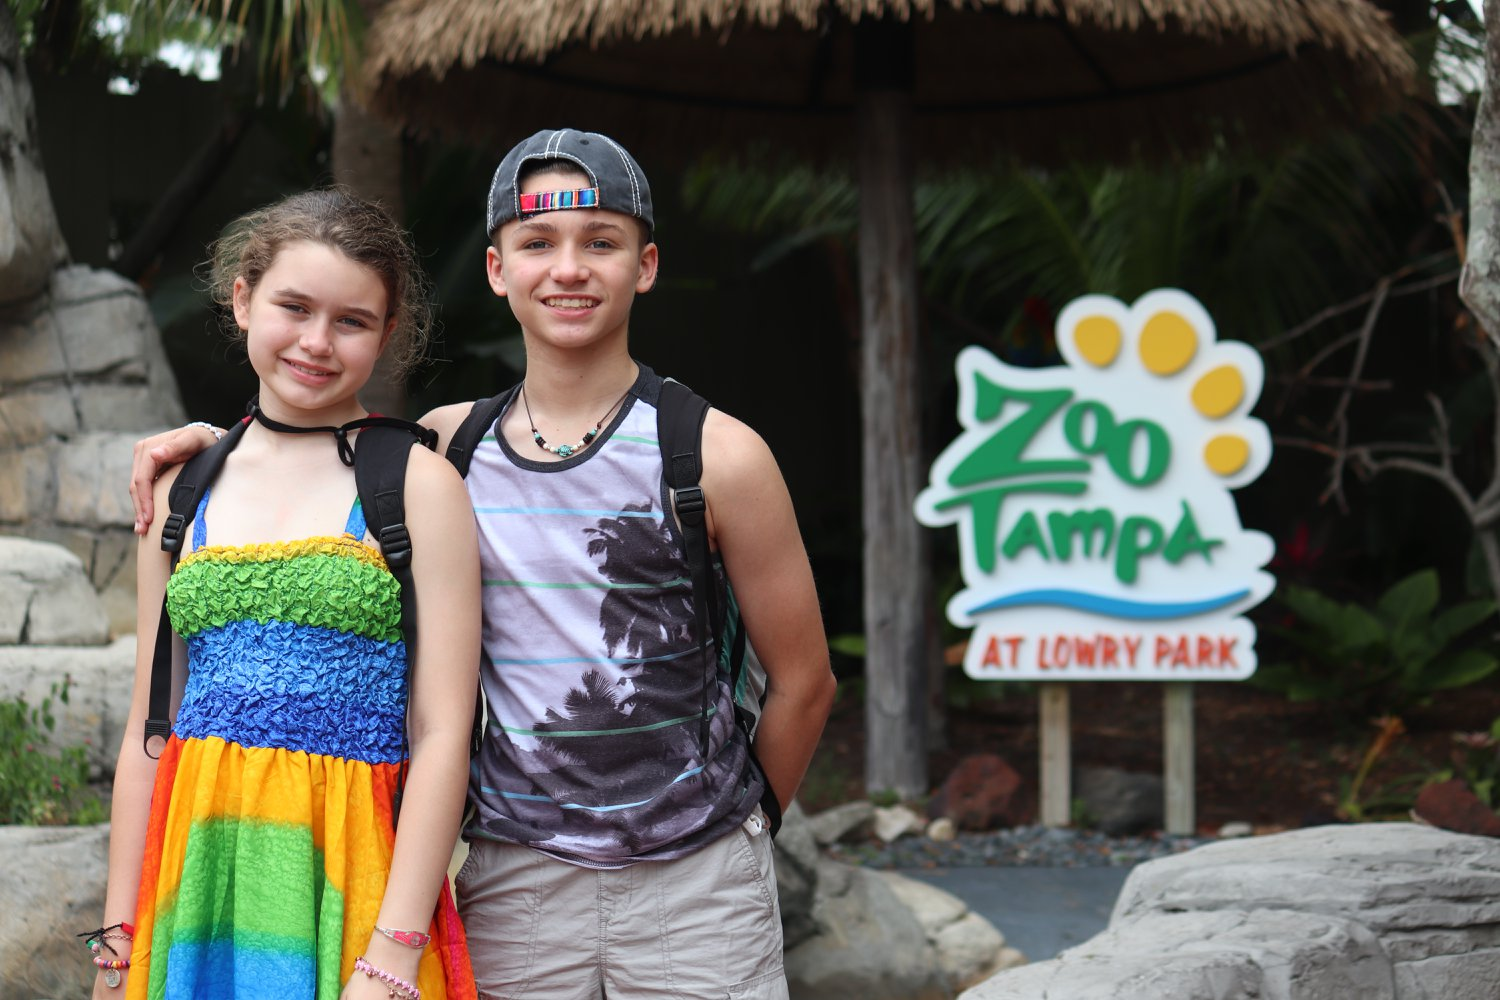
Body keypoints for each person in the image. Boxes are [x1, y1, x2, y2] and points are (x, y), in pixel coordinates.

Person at [130, 129, 837, 1000]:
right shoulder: (446, 446)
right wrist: (206, 447)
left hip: (697, 888)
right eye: (538, 243)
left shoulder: (715, 454)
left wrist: (743, 827)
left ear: (646, 266)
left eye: (601, 243)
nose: (568, 269)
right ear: (498, 269)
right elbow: (309, 442)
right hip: (514, 884)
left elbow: (805, 683)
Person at [101, 189, 481, 1000]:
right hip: (198, 879)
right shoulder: (178, 491)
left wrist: (393, 953)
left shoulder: (418, 486)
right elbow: (149, 728)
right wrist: (117, 941)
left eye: (351, 321)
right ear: (243, 300)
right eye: (294, 307)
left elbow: (444, 732)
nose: (316, 342)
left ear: (386, 333)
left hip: (353, 878)